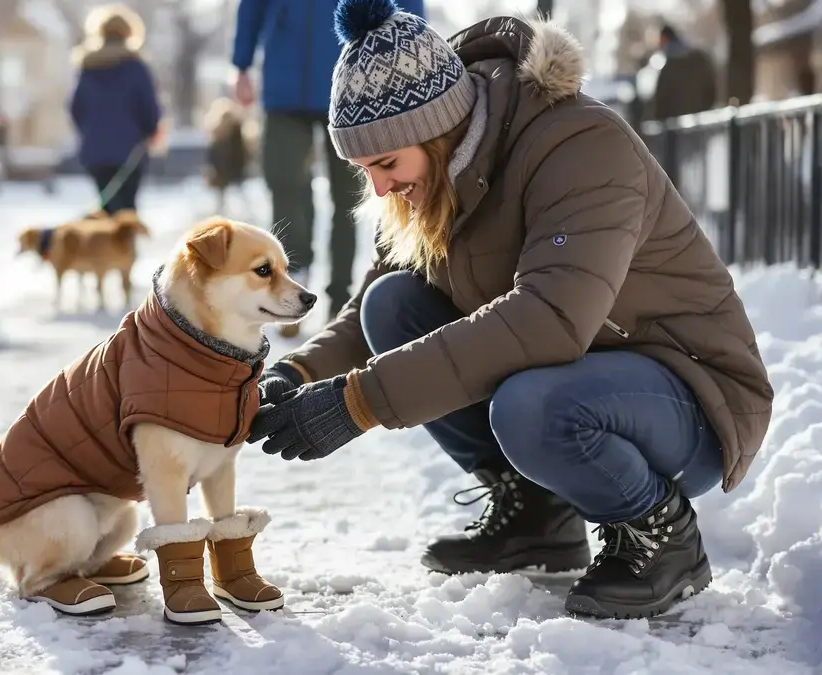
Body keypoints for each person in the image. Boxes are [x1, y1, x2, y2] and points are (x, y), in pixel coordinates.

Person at [247, 0, 773, 620]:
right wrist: (298, 373)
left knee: (532, 405)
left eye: (386, 163)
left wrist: (358, 403)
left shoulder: (580, 144)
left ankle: (661, 533)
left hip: (688, 394)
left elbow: (549, 319)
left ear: (437, 129)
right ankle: (536, 517)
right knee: (393, 305)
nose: (380, 186)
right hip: (578, 372)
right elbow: (375, 298)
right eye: (365, 170)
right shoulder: (434, 180)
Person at [230, 0, 424, 337]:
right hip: (284, 80)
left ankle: (340, 297)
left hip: (356, 78)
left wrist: (411, 55)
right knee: (285, 184)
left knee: (350, 194)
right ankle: (293, 281)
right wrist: (241, 64)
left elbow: (408, 6)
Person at [70, 4, 162, 216]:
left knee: (107, 207)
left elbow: (76, 108)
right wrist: (149, 132)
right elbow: (149, 109)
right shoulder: (135, 67)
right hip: (130, 150)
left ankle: (104, 236)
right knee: (126, 210)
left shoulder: (88, 67)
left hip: (95, 151)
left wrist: (90, 133)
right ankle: (123, 238)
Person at [646, 23, 717, 121]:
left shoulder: (670, 65)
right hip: (700, 119)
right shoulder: (700, 58)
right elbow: (711, 89)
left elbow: (661, 100)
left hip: (676, 123)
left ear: (664, 39)